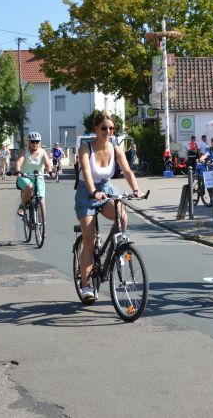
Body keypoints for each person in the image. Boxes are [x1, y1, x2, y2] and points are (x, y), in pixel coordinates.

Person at [75, 111, 144, 302]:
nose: (108, 131)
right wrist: (92, 191)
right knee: (89, 240)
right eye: (104, 128)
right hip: (86, 193)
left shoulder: (115, 149)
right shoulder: (85, 148)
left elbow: (128, 170)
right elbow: (87, 172)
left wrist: (136, 189)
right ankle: (86, 286)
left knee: (121, 214)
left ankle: (118, 248)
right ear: (95, 129)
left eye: (111, 128)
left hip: (107, 188)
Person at [14, 132, 54, 217]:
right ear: (28, 142)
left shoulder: (42, 152)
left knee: (42, 201)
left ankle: (42, 224)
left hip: (38, 178)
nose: (35, 143)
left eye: (37, 141)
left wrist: (50, 171)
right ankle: (22, 206)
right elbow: (19, 163)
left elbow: (47, 164)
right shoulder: (24, 151)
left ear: (40, 142)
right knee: (29, 186)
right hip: (24, 177)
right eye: (32, 141)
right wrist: (18, 171)